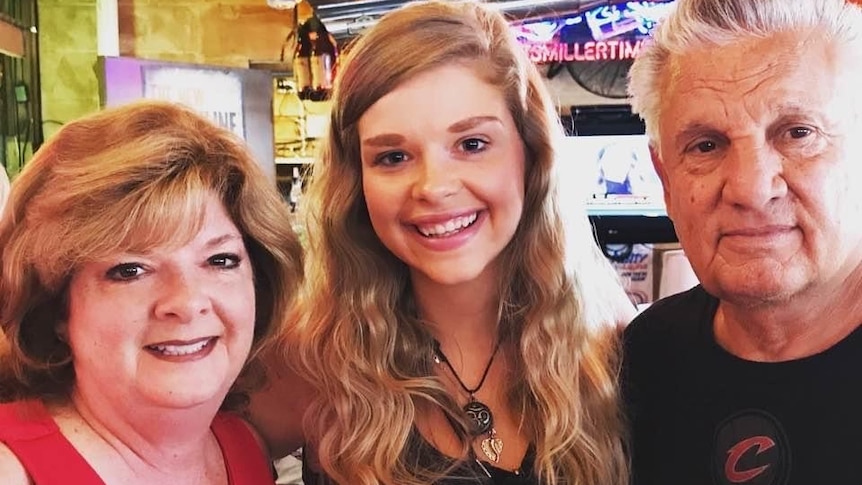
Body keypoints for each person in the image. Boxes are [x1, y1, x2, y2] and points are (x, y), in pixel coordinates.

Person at [248, 1, 635, 484]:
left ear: (530, 155)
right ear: (357, 182)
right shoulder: (317, 356)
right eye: (393, 156)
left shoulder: (608, 337)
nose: (433, 186)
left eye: (472, 144)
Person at [0, 101, 304, 484]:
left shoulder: (244, 447)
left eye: (221, 260)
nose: (187, 302)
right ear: (56, 309)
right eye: (130, 270)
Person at [623, 0, 862, 483]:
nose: (751, 189)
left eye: (798, 133)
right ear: (666, 181)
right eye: (706, 145)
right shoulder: (646, 358)